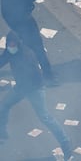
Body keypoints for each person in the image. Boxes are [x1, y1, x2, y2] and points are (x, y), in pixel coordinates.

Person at [0, 31, 72, 160]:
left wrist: (18, 87)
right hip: (21, 87)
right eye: (9, 45)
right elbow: (3, 60)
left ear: (18, 44)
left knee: (45, 117)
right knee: (4, 106)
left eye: (12, 44)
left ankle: (66, 144)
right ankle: (2, 134)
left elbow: (36, 78)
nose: (11, 47)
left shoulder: (27, 56)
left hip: (35, 89)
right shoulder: (9, 51)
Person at [0, 0, 58, 86]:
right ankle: (49, 76)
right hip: (22, 17)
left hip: (8, 14)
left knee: (17, 44)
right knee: (37, 45)